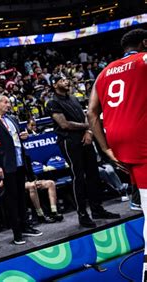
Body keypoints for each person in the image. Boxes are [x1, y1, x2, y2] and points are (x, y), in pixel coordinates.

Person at [87, 28, 147, 278]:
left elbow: (91, 112)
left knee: (144, 202)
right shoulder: (143, 59)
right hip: (142, 139)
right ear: (144, 43)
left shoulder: (103, 72)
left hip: (119, 145)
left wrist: (106, 148)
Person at [46, 75, 120, 229]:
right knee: (78, 177)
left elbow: (87, 116)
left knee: (93, 174)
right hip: (69, 142)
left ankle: (97, 209)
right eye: (61, 80)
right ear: (54, 85)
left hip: (85, 139)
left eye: (66, 79)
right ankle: (82, 214)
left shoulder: (73, 98)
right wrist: (87, 128)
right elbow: (64, 124)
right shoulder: (52, 102)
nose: (66, 81)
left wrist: (90, 132)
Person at [0, 95, 42, 245]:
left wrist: (22, 136)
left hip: (19, 163)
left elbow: (15, 138)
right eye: (6, 102)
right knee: (11, 200)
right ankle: (17, 233)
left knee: (21, 197)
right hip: (6, 166)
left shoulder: (12, 119)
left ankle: (25, 226)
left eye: (9, 102)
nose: (9, 105)